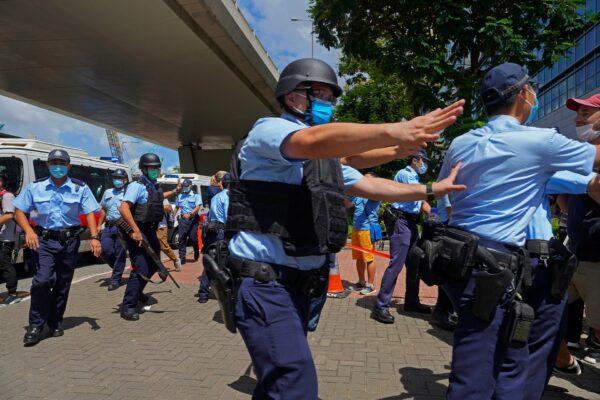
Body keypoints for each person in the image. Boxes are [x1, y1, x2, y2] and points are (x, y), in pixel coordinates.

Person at [223, 57, 466, 399]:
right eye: (320, 93)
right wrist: (394, 130)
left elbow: (373, 186)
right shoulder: (270, 131)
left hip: (302, 284)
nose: (329, 104)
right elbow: (314, 141)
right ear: (293, 97)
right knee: (294, 381)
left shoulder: (325, 163)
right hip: (266, 283)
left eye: (331, 97)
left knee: (276, 382)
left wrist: (428, 190)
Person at [436, 62, 600, 399]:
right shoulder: (537, 142)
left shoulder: (461, 143)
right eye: (533, 90)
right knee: (480, 374)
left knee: (506, 361)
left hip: (459, 259)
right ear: (524, 94)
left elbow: (445, 203)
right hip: (496, 267)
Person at [14, 149, 101, 346]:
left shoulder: (80, 188)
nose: (58, 166)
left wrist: (94, 237)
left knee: (63, 283)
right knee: (42, 281)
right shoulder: (35, 187)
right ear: (47, 165)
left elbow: (89, 213)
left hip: (70, 242)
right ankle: (36, 325)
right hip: (43, 241)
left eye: (62, 163)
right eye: (54, 162)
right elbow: (19, 211)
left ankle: (55, 322)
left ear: (69, 166)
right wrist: (29, 231)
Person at [555, 94, 600, 368]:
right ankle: (563, 360)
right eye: (578, 114)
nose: (578, 119)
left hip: (597, 259)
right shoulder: (580, 154)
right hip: (575, 254)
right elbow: (563, 202)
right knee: (547, 309)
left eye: (586, 113)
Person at [373, 150, 432, 324]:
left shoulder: (413, 177)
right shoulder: (406, 175)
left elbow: (421, 202)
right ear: (415, 160)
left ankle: (412, 301)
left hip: (411, 223)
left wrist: (434, 213)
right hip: (401, 222)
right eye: (424, 161)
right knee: (396, 265)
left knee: (414, 262)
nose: (425, 165)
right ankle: (381, 306)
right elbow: (420, 194)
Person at [118, 153, 166, 321]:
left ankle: (137, 292)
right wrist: (135, 230)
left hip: (150, 230)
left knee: (154, 264)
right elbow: (123, 208)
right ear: (144, 169)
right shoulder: (137, 186)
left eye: (157, 168)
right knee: (141, 268)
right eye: (152, 168)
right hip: (138, 231)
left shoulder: (154, 186)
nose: (155, 170)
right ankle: (128, 306)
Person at [197, 172, 231, 303]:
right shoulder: (229, 196)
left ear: (222, 183)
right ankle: (225, 292)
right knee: (224, 263)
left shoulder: (216, 196)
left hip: (212, 232)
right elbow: (228, 217)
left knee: (211, 262)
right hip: (222, 232)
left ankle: (203, 294)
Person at [98, 169, 129, 291]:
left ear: (125, 180)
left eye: (119, 178)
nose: (116, 180)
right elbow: (103, 210)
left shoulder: (128, 193)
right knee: (105, 251)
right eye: (115, 177)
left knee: (120, 254)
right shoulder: (107, 192)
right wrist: (98, 224)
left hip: (123, 227)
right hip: (109, 226)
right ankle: (118, 268)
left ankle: (115, 280)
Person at [348, 194, 380, 295]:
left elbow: (376, 195)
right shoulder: (358, 194)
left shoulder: (373, 192)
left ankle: (370, 285)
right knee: (359, 257)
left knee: (369, 258)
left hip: (367, 229)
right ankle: (361, 281)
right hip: (356, 229)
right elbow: (348, 201)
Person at [0, 174, 20, 303]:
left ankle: (12, 292)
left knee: (5, 264)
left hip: (6, 238)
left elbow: (9, 215)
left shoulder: (7, 196)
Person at [174, 179, 201, 264]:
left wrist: (190, 213)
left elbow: (197, 207)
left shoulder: (196, 196)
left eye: (186, 186)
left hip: (192, 219)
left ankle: (196, 252)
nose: (185, 188)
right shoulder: (180, 196)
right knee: (181, 238)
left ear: (190, 186)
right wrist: (173, 217)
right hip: (182, 220)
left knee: (193, 238)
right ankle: (182, 258)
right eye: (184, 186)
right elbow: (176, 207)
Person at [157, 198, 181, 272]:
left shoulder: (160, 194)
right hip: (149, 225)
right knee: (154, 247)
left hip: (161, 226)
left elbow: (168, 207)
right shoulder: (143, 193)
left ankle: (176, 259)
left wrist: (154, 206)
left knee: (163, 246)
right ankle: (157, 265)